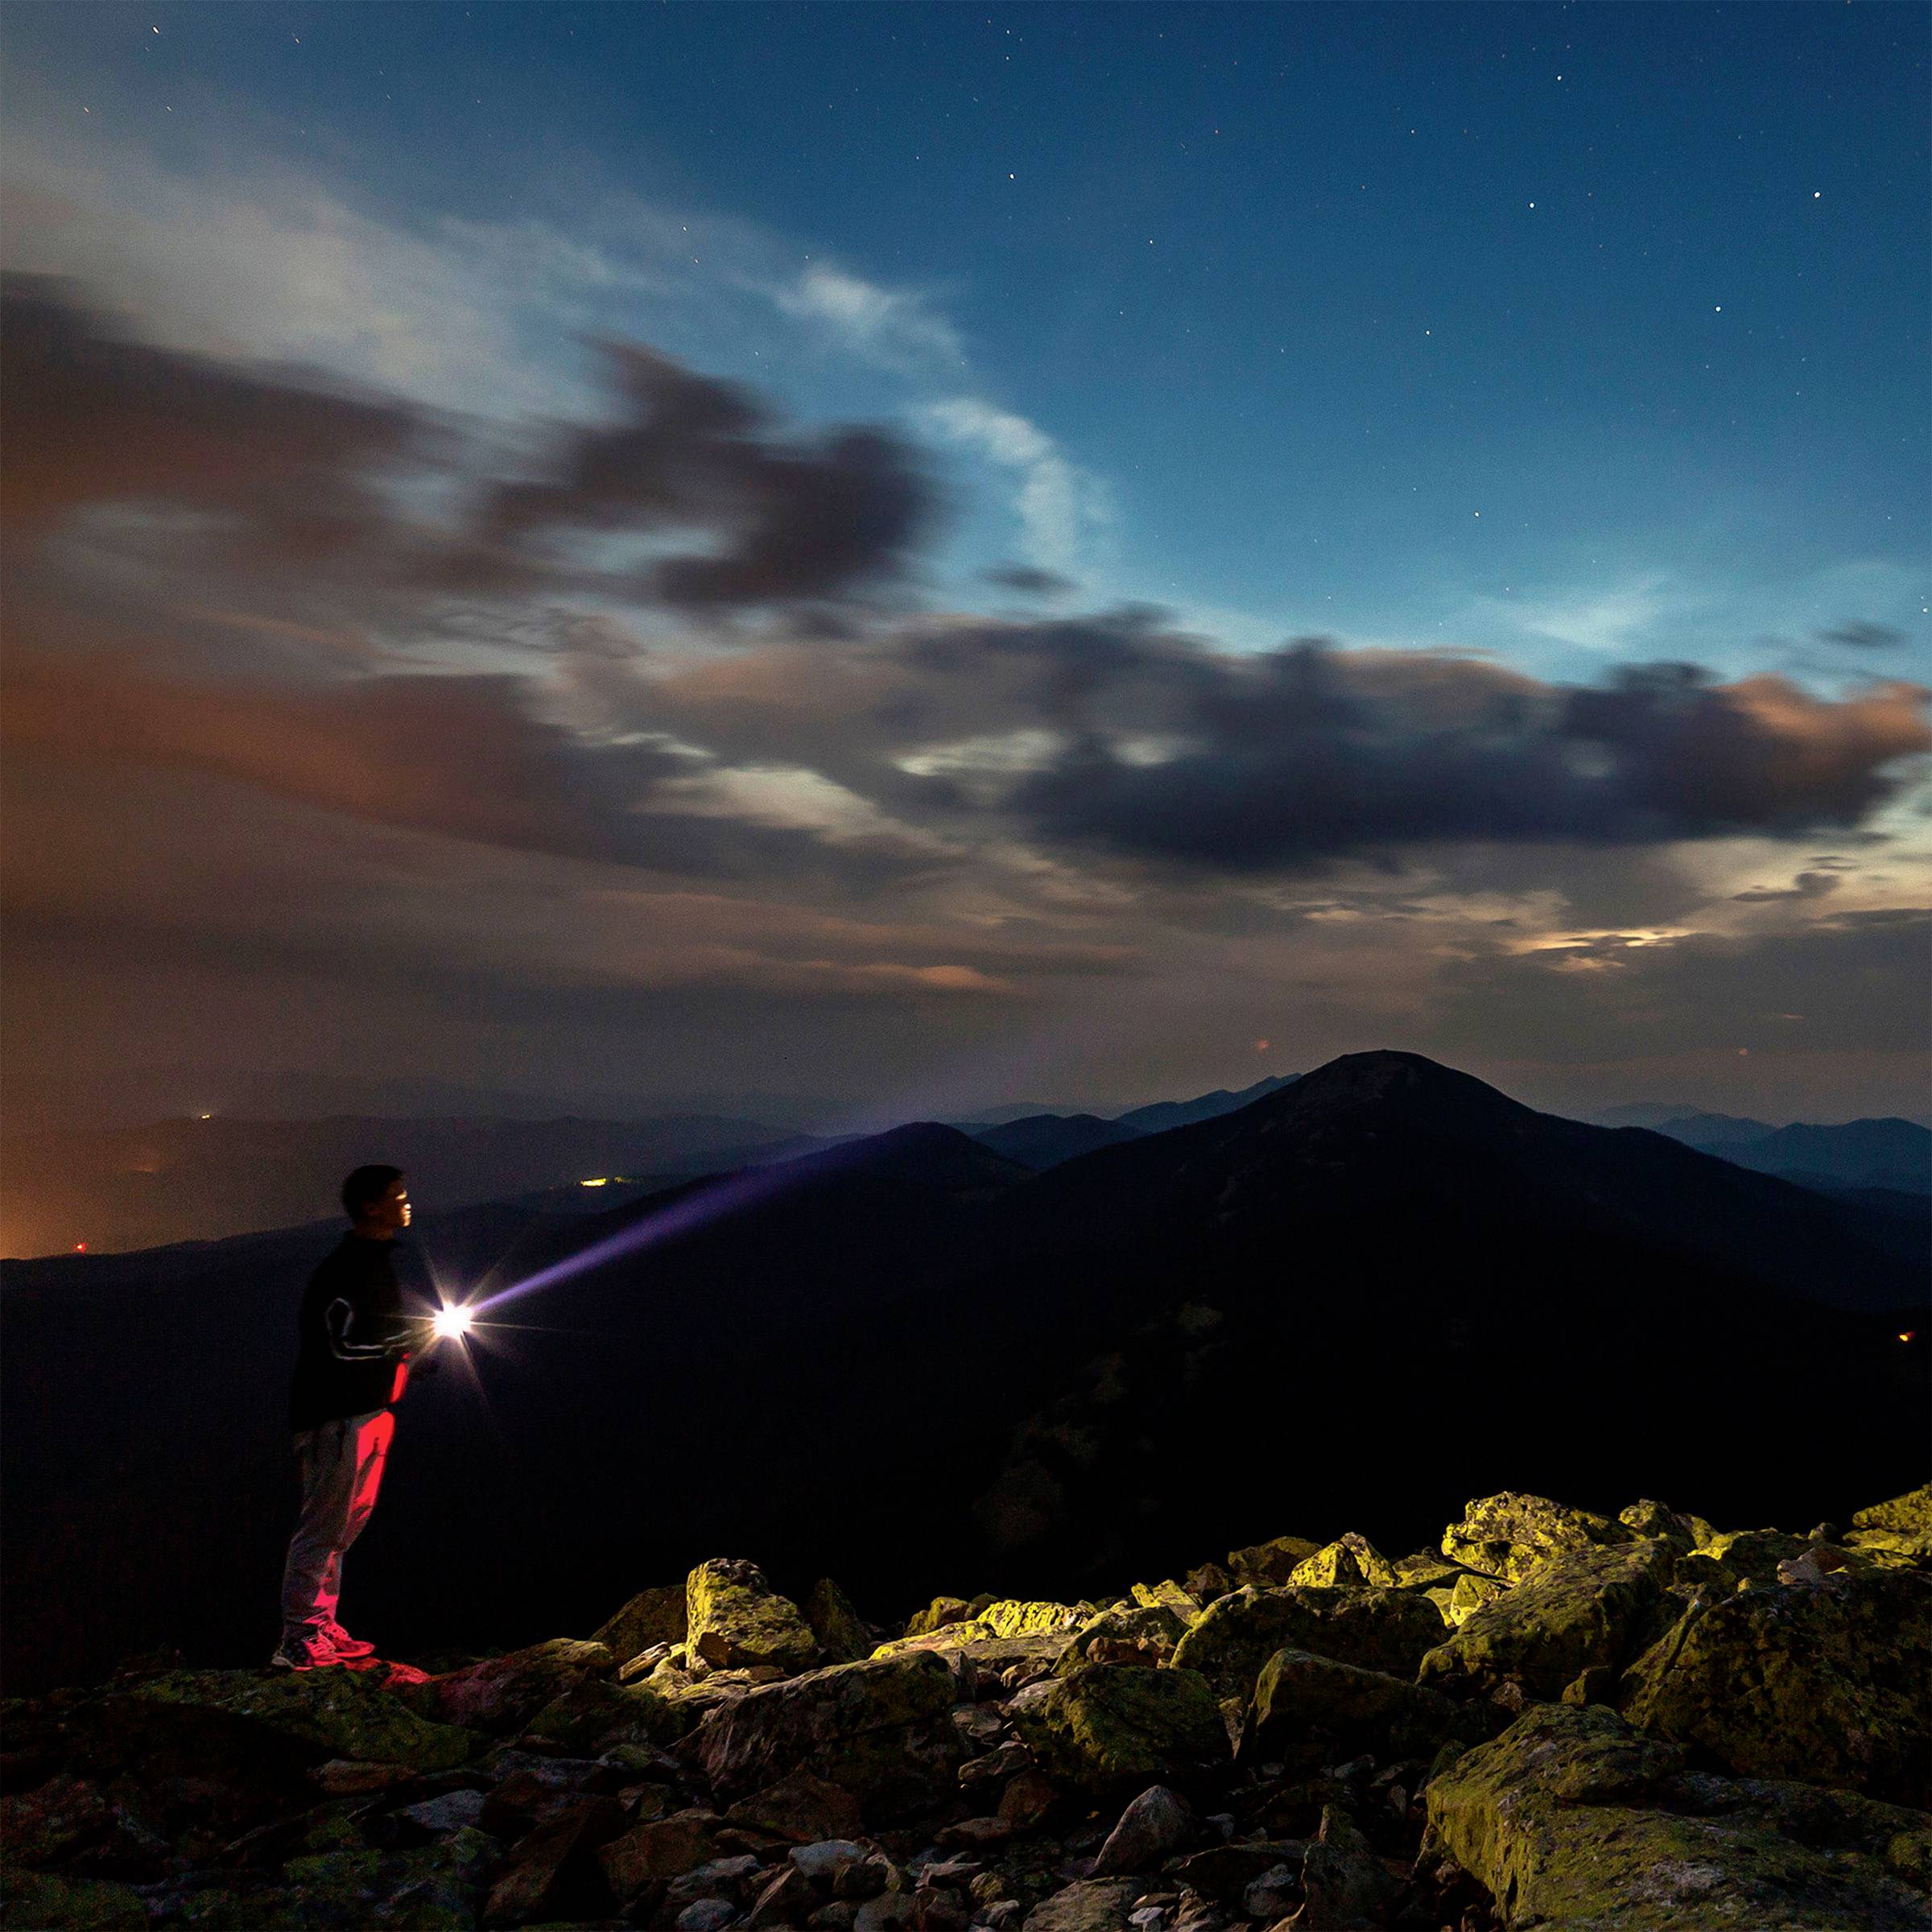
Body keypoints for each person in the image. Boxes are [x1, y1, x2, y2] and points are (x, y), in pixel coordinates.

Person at [273, 1164, 424, 1670]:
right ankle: (299, 1636)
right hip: (336, 1418)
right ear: (370, 1207)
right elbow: (337, 1344)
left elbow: (372, 1339)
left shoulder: (374, 1262)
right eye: (396, 1196)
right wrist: (400, 1347)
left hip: (368, 1412)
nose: (406, 1203)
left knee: (344, 1527)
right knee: (323, 1526)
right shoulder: (348, 1268)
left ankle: (321, 1626)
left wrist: (408, 1359)